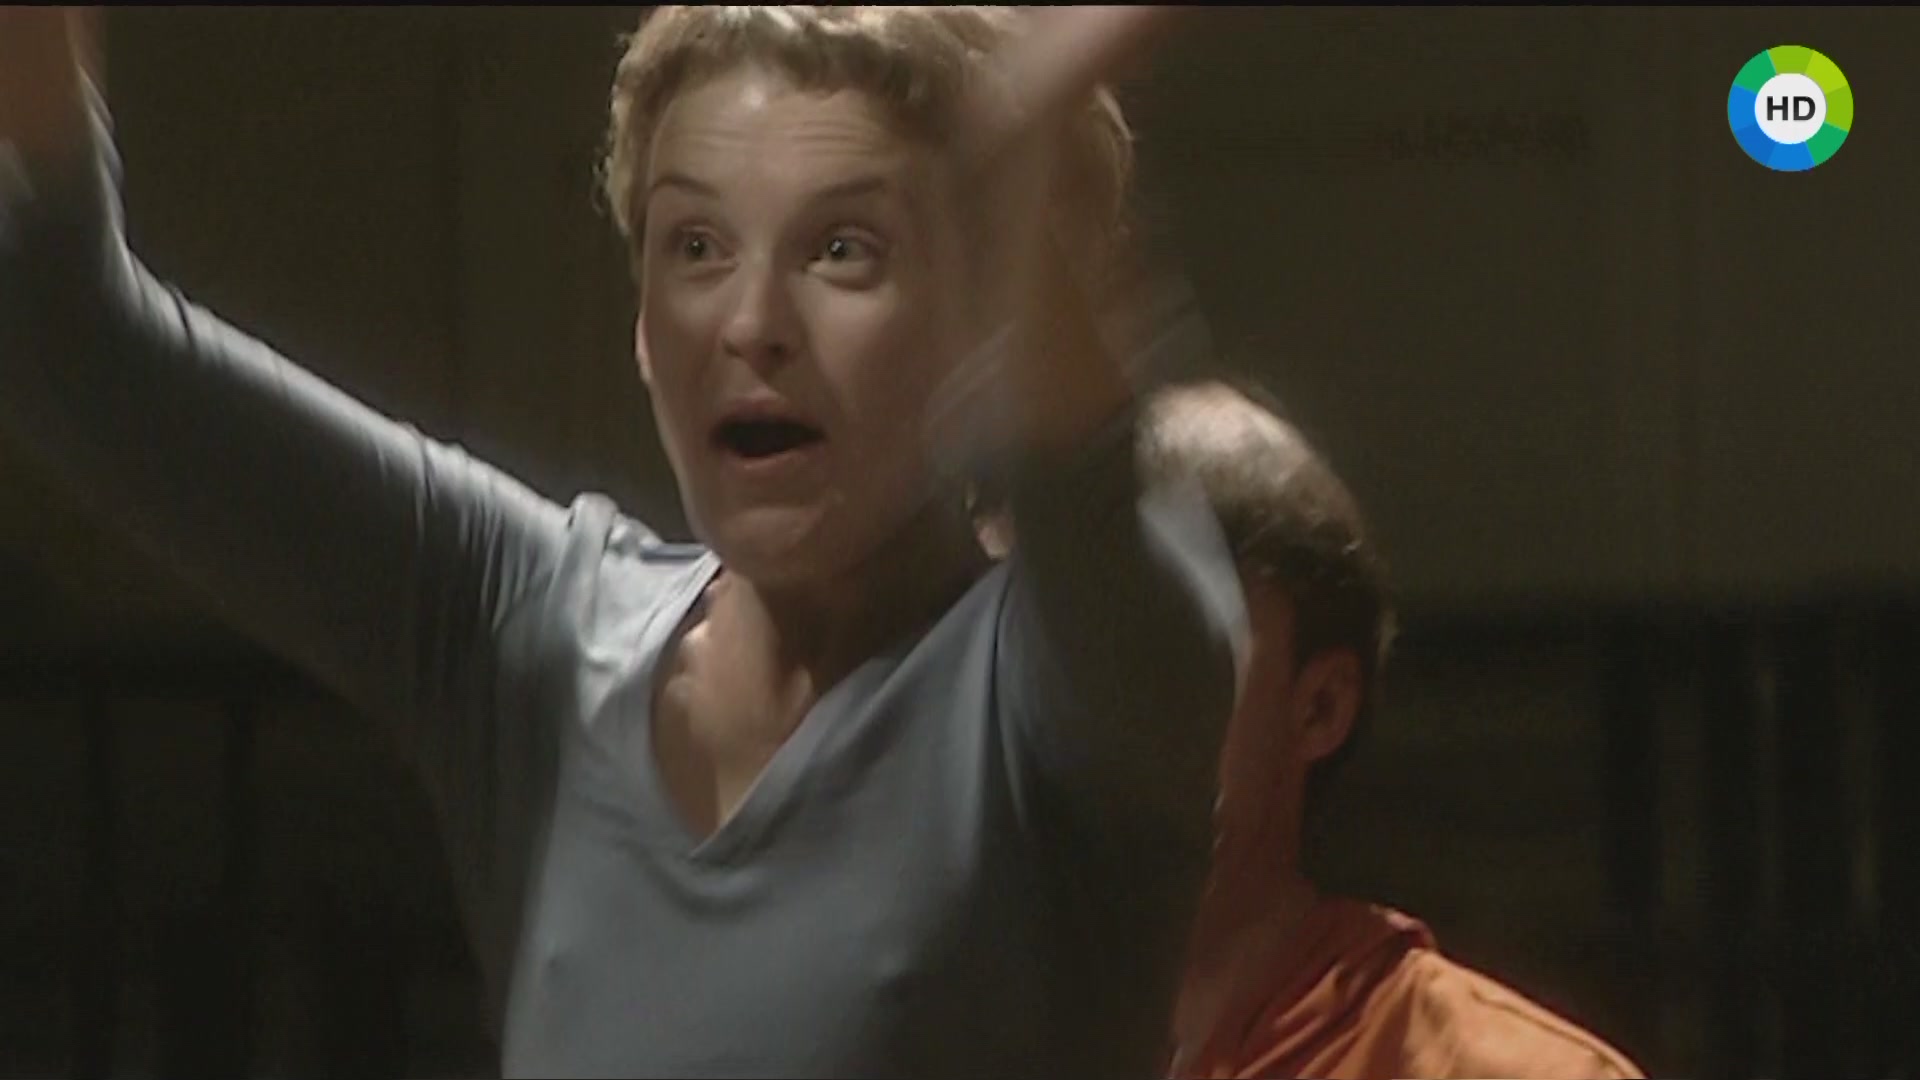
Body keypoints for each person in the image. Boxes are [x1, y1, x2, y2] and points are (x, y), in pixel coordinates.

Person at [0, 6, 1247, 1077]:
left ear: (985, 326)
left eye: (842, 250)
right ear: (644, 326)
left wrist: (1018, 152)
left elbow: (1097, 506)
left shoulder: (1059, 700)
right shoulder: (530, 628)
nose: (752, 322)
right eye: (696, 246)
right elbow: (78, 349)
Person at [1084, 381, 1643, 1079]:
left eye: (1175, 653)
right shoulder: (967, 1032)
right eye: (1053, 662)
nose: (1094, 712)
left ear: (1319, 707)